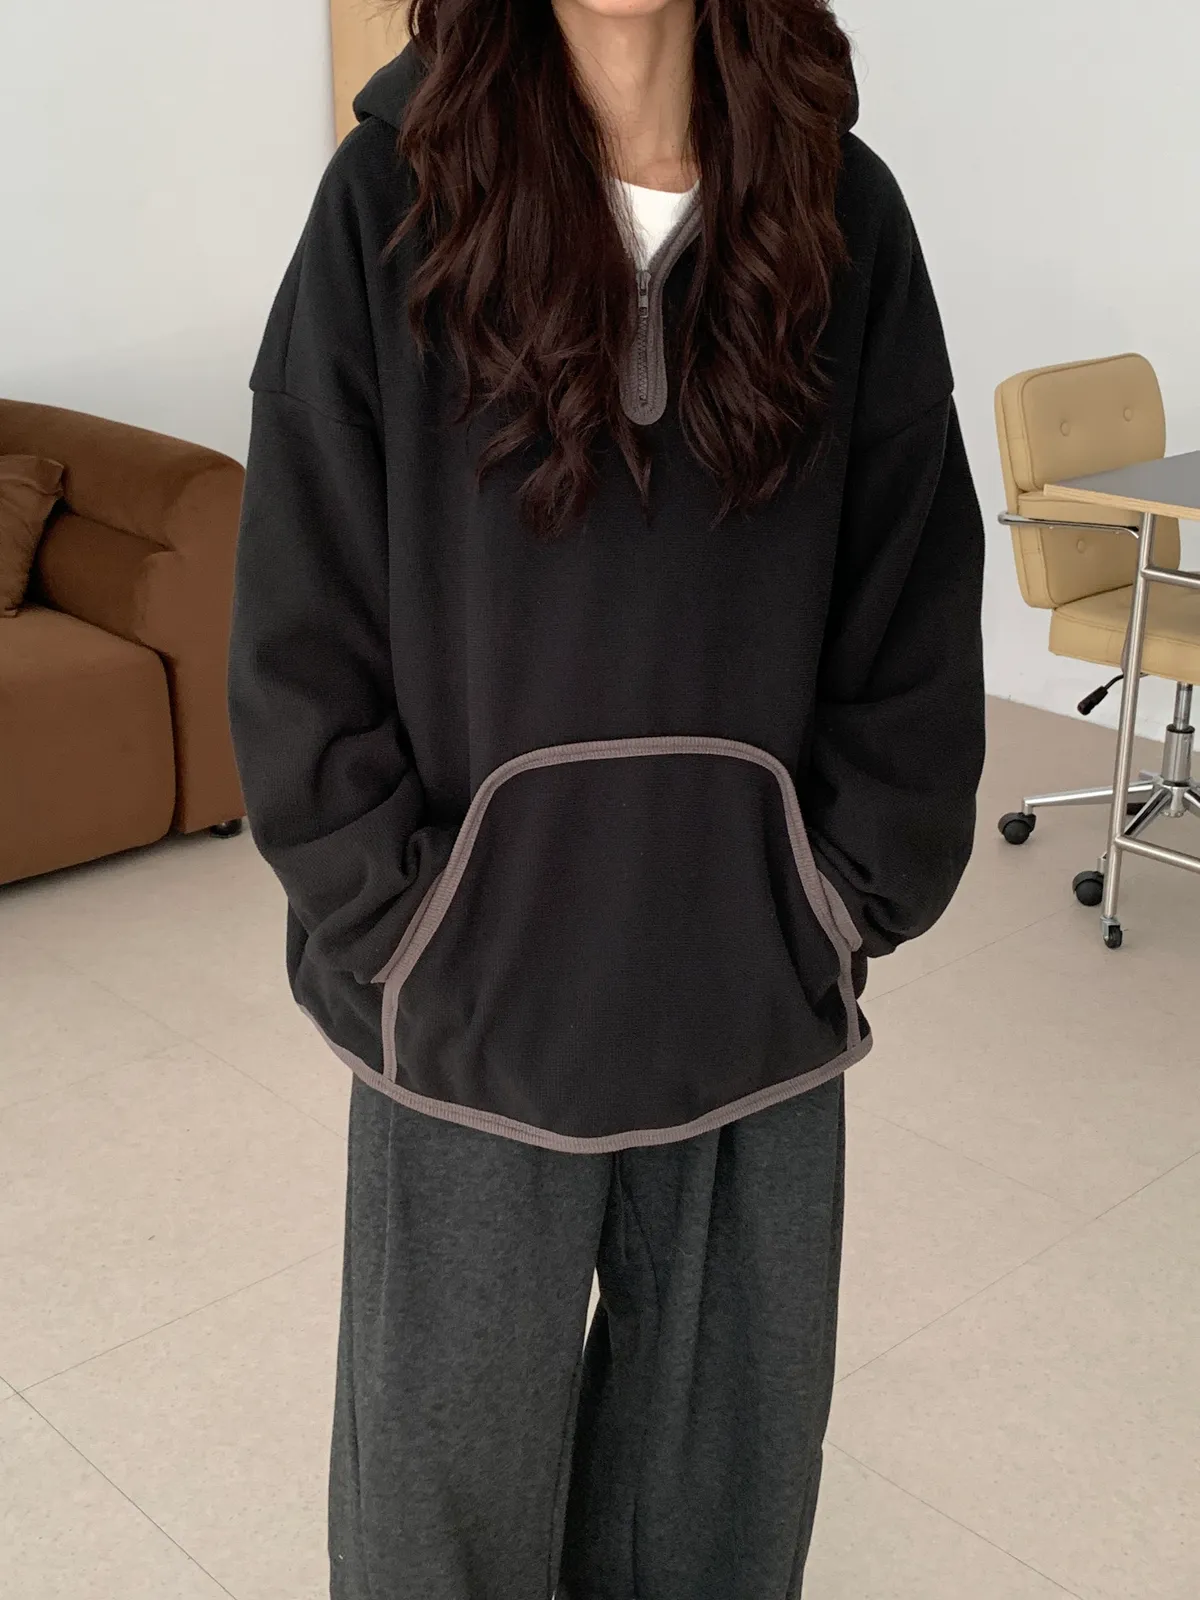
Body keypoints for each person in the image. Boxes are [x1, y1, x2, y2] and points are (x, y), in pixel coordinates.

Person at [227, 1, 986, 1594]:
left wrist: (834, 899)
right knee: (438, 1537)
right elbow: (302, 626)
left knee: (718, 1528)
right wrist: (408, 930)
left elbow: (912, 603)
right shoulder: (387, 200)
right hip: (472, 1015)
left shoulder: (846, 213)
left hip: (754, 1005)